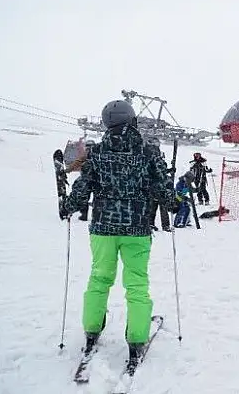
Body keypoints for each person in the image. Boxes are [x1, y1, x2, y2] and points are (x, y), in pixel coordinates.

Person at [59, 99, 175, 373]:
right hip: (136, 230)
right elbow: (162, 188)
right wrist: (174, 202)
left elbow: (82, 188)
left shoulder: (96, 153)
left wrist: (68, 206)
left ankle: (91, 329)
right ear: (132, 120)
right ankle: (136, 338)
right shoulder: (148, 152)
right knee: (136, 284)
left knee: (99, 278)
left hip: (102, 228)